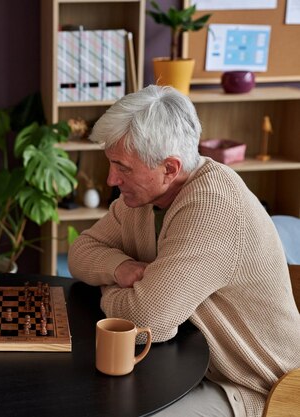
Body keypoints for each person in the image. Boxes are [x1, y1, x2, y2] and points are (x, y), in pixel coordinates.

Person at [68, 85, 300, 417]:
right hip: (192, 365)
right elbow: (81, 251)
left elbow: (148, 322)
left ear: (170, 168)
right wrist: (121, 270)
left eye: (123, 167)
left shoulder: (212, 207)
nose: (110, 179)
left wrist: (110, 287)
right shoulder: (142, 199)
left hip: (258, 390)